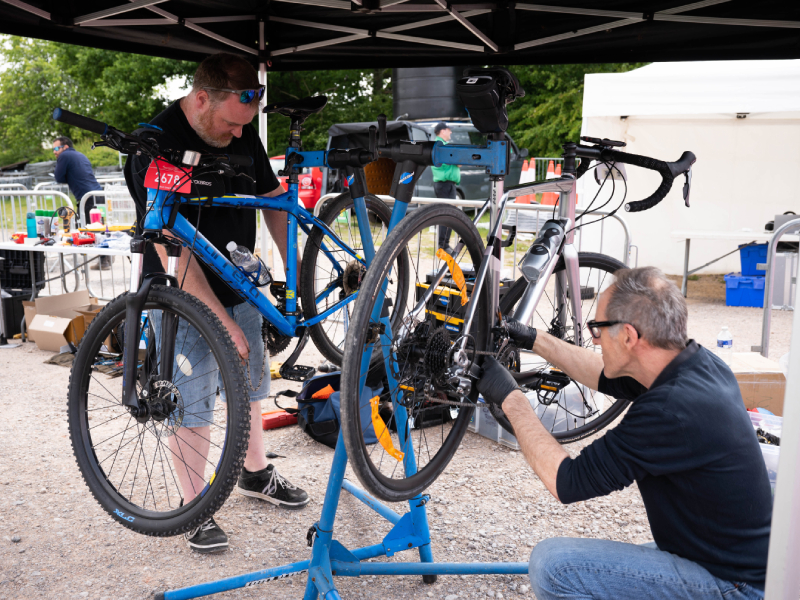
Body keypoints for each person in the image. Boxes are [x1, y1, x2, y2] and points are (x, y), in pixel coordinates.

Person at [477, 266, 771, 600]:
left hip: (733, 586)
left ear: (630, 336)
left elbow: (566, 482)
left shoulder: (670, 410)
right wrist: (531, 338)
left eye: (598, 329)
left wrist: (511, 399)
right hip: (728, 563)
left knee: (554, 565)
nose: (593, 338)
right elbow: (601, 373)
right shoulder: (696, 365)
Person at [124, 53, 309, 554]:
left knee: (249, 384)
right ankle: (195, 507)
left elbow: (273, 196)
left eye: (242, 127)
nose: (236, 135)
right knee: (196, 396)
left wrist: (295, 272)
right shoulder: (154, 142)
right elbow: (168, 241)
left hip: (239, 281)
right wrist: (217, 320)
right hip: (182, 290)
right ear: (202, 98)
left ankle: (255, 474)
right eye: (229, 124)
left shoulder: (240, 124)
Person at [52, 137, 110, 269]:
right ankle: (106, 257)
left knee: (88, 229)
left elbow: (59, 177)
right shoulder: (80, 154)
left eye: (56, 148)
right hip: (97, 194)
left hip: (87, 198)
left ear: (65, 147)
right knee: (98, 228)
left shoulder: (64, 156)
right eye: (53, 149)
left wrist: (67, 175)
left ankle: (104, 260)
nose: (55, 152)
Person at [431, 122, 460, 248]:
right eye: (449, 130)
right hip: (445, 184)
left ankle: (444, 244)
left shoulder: (440, 145)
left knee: (447, 213)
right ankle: (443, 244)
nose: (451, 132)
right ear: (442, 131)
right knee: (447, 214)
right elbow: (457, 161)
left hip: (445, 184)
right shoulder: (443, 146)